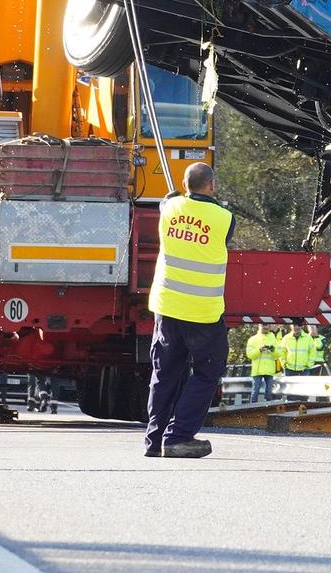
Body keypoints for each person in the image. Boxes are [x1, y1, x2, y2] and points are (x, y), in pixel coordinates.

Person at [144, 161, 231, 459]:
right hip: (202, 311)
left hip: (167, 306)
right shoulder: (224, 218)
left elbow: (165, 203)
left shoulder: (168, 208)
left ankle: (154, 441)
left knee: (164, 372)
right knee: (208, 371)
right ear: (212, 185)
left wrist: (173, 198)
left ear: (184, 183)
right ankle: (179, 436)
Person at [244, 326, 280, 403]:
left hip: (269, 370)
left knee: (269, 393)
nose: (266, 327)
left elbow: (278, 355)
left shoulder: (274, 340)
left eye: (267, 325)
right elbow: (250, 355)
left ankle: (268, 410)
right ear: (259, 325)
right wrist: (259, 350)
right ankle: (252, 410)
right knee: (255, 392)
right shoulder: (252, 339)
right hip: (257, 370)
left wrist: (272, 350)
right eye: (264, 325)